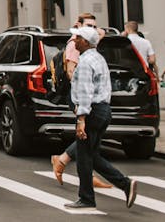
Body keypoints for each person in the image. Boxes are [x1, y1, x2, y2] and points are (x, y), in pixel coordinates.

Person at [62, 25, 139, 210]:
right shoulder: (98, 58)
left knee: (84, 157)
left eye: (78, 38)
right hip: (103, 110)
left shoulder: (86, 63)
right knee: (90, 155)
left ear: (86, 42)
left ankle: (88, 198)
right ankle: (124, 184)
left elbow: (86, 92)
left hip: (92, 112)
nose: (74, 40)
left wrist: (81, 119)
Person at [51, 13, 109, 189]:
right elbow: (71, 72)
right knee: (87, 136)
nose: (93, 29)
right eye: (88, 26)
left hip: (90, 97)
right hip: (79, 95)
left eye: (94, 26)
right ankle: (71, 167)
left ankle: (64, 161)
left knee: (90, 139)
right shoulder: (74, 45)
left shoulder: (88, 45)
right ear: (79, 26)